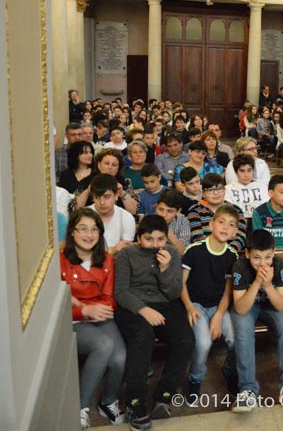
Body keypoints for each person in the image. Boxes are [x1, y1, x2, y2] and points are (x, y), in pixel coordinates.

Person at [114, 215, 194, 429]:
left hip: (165, 304)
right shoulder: (127, 254)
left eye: (160, 239)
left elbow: (174, 292)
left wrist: (165, 269)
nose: (155, 244)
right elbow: (120, 292)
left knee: (185, 339)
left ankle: (164, 396)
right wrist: (143, 309)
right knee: (143, 336)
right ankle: (135, 401)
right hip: (133, 305)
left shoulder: (173, 254)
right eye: (149, 239)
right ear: (139, 237)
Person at [61, 209, 126, 429]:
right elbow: (57, 305)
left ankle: (108, 401)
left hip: (100, 315)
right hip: (72, 321)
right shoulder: (60, 260)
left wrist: (97, 309)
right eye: (83, 229)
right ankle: (80, 407)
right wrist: (84, 311)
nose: (89, 234)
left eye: (94, 229)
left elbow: (108, 298)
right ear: (72, 232)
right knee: (104, 345)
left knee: (119, 357)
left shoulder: (106, 260)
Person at [231, 229, 283, 411]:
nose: (262, 263)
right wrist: (256, 283)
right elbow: (240, 307)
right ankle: (247, 389)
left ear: (274, 253)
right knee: (243, 328)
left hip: (272, 304)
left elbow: (282, 306)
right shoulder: (239, 266)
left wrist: (268, 285)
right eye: (256, 258)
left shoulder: (279, 265)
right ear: (247, 254)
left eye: (267, 257)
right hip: (248, 303)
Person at [181, 205, 239, 406]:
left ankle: (230, 371)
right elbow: (181, 284)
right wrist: (189, 306)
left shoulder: (232, 256)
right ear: (211, 224)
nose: (225, 227)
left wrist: (219, 315)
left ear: (235, 232)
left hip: (218, 306)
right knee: (203, 343)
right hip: (195, 303)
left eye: (231, 225)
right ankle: (195, 380)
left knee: (234, 337)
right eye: (221, 222)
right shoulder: (194, 250)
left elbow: (227, 291)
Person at [187, 173, 248, 253]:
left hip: (231, 254)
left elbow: (241, 236)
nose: (216, 193)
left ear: (225, 190)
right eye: (210, 190)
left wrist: (227, 252)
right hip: (205, 254)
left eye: (219, 189)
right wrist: (215, 252)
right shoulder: (195, 211)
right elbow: (197, 237)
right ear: (203, 194)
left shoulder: (236, 210)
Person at [88, 174, 136, 256]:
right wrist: (112, 250)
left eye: (106, 197)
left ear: (116, 195)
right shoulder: (83, 216)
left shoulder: (126, 218)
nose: (102, 203)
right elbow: (82, 252)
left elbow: (125, 253)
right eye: (97, 197)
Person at [251, 175, 283, 250]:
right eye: (282, 192)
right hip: (266, 253)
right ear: (271, 193)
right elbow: (259, 241)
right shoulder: (258, 213)